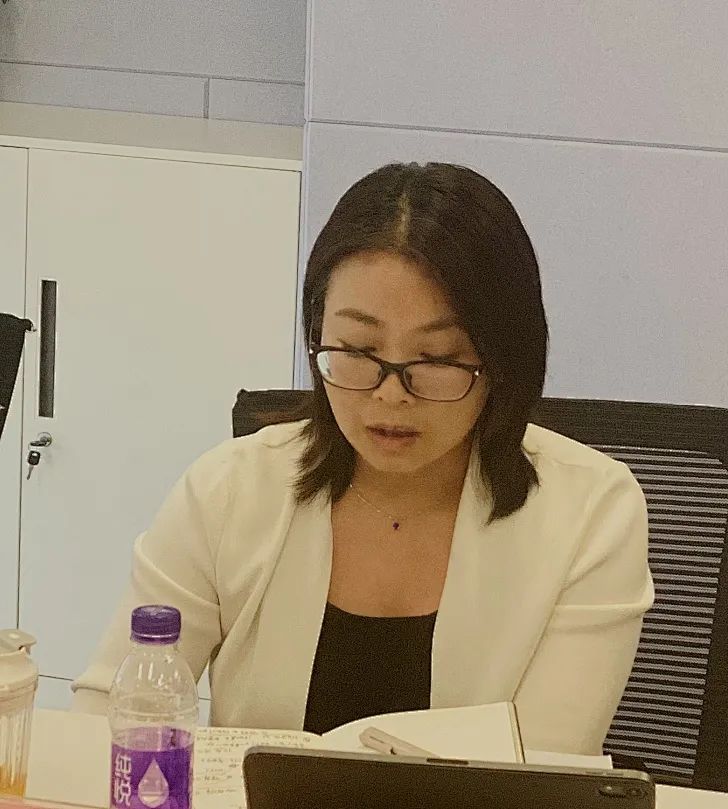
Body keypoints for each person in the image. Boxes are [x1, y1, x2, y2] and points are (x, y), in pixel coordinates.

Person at [73, 162, 653, 754]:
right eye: (356, 349)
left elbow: (544, 768)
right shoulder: (227, 489)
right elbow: (108, 719)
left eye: (437, 357)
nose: (390, 395)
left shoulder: (590, 511)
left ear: (504, 360)